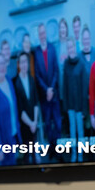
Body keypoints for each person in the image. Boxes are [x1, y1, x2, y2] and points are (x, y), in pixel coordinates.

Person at [0, 53, 21, 166]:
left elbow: (14, 108)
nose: (2, 66)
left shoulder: (8, 80)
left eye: (3, 63)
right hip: (3, 141)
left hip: (13, 136)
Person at [34, 23, 61, 158]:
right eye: (40, 33)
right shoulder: (36, 52)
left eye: (44, 33)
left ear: (46, 34)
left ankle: (59, 150)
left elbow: (56, 70)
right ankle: (51, 149)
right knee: (48, 124)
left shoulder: (52, 48)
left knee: (58, 123)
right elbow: (37, 75)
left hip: (54, 95)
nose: (42, 35)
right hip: (44, 97)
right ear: (38, 36)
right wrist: (46, 90)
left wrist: (51, 89)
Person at [63, 37, 88, 162]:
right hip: (70, 107)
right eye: (68, 47)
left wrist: (84, 109)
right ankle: (74, 154)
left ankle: (81, 154)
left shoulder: (81, 64)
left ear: (75, 47)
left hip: (80, 106)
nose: (70, 49)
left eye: (72, 46)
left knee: (80, 132)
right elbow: (65, 87)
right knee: (72, 132)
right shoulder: (66, 64)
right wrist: (66, 107)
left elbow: (85, 88)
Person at [14, 52, 40, 164]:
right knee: (26, 156)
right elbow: (20, 111)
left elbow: (35, 103)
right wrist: (31, 124)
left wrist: (34, 122)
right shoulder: (16, 83)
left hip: (33, 124)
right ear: (19, 64)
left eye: (26, 62)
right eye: (22, 62)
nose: (25, 65)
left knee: (34, 154)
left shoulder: (31, 79)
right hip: (24, 126)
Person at [79, 25, 95, 136]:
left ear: (90, 39)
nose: (86, 41)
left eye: (87, 39)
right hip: (85, 102)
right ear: (82, 40)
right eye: (84, 39)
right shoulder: (79, 56)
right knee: (87, 130)